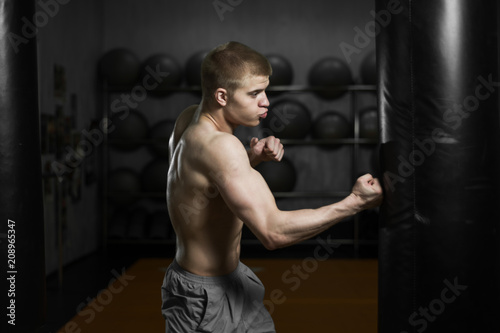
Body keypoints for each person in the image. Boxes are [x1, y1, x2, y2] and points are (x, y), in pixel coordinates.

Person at [161, 41, 383, 332]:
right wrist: (354, 202)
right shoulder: (222, 147)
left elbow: (203, 182)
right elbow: (273, 232)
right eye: (254, 94)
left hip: (226, 280)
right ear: (222, 96)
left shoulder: (188, 119)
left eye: (265, 91)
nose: (265, 102)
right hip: (204, 297)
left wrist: (250, 157)